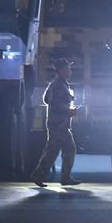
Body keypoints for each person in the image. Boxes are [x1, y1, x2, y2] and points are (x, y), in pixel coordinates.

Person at [31, 58, 81, 187]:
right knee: (54, 151)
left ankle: (64, 177)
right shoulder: (59, 85)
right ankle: (40, 175)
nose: (69, 71)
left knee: (66, 149)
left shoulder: (59, 84)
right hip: (58, 124)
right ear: (61, 71)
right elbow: (54, 103)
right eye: (67, 69)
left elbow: (46, 99)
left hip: (60, 124)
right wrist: (69, 111)